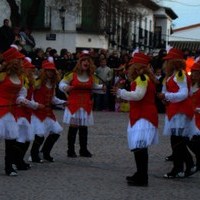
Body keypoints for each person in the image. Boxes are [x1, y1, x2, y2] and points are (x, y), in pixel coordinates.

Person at [111, 52, 159, 186]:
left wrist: (121, 92)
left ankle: (142, 177)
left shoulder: (142, 78)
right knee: (140, 147)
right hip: (141, 114)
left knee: (140, 147)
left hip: (143, 115)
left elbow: (138, 95)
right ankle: (140, 173)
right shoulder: (143, 78)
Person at [157, 48, 196, 178]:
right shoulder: (174, 75)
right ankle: (186, 165)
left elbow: (184, 94)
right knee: (177, 140)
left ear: (174, 62)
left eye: (168, 61)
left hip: (180, 111)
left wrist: (167, 96)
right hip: (176, 110)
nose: (166, 63)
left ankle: (181, 167)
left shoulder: (180, 75)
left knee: (177, 141)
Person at [59, 50, 105, 158]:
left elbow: (94, 87)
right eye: (84, 60)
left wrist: (101, 88)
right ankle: (70, 150)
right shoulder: (72, 75)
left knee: (84, 127)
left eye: (88, 61)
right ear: (79, 62)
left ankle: (83, 149)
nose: (86, 62)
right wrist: (65, 87)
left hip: (85, 105)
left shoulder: (91, 76)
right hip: (74, 104)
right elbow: (61, 83)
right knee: (74, 127)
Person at [29, 59, 66, 163]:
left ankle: (45, 153)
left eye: (52, 71)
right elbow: (30, 96)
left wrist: (63, 102)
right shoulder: (37, 82)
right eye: (48, 70)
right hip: (37, 112)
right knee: (39, 134)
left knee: (57, 131)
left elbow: (53, 99)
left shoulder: (53, 84)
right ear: (44, 71)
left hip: (48, 112)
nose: (50, 72)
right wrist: (34, 105)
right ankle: (33, 155)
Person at [0, 45, 25, 176]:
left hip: (12, 112)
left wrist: (21, 99)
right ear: (11, 61)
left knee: (11, 140)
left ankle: (9, 167)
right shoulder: (2, 75)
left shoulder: (20, 78)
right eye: (18, 60)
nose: (21, 62)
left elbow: (21, 92)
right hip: (0, 111)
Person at [187, 61, 200, 171]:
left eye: (196, 73)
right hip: (190, 117)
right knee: (188, 140)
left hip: (198, 118)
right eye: (193, 72)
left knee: (194, 141)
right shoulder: (190, 86)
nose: (194, 75)